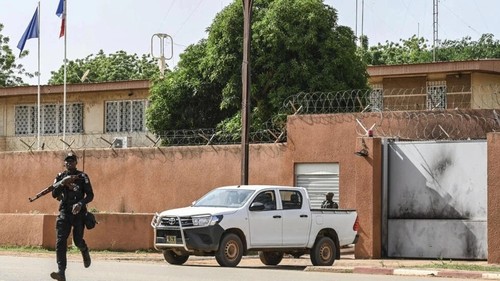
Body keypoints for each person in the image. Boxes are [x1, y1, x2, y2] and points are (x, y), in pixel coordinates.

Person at [50, 153, 94, 281]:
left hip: (78, 213)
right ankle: (61, 272)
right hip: (65, 212)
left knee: (78, 240)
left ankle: (84, 250)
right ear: (64, 163)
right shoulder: (60, 177)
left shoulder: (82, 177)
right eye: (67, 161)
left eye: (72, 161)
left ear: (76, 162)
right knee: (60, 241)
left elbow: (90, 195)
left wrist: (81, 204)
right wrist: (62, 183)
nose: (69, 163)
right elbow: (54, 194)